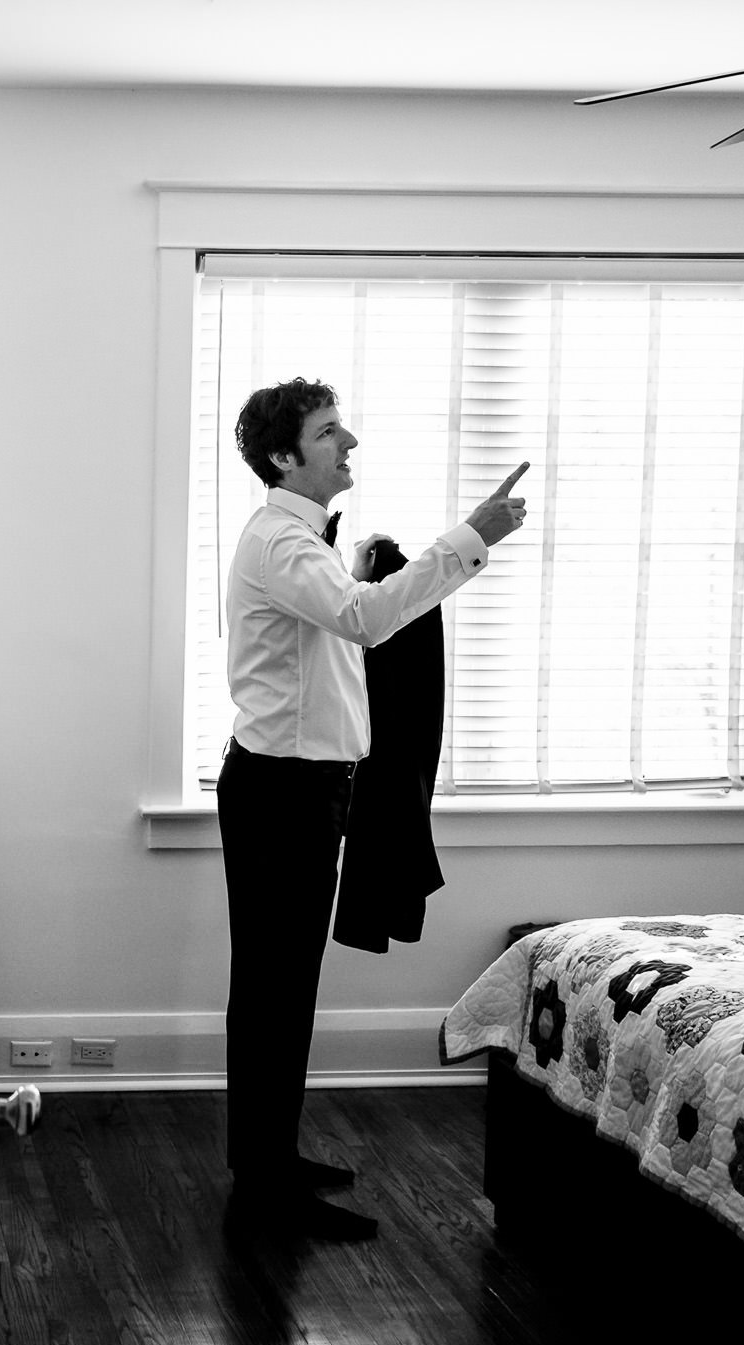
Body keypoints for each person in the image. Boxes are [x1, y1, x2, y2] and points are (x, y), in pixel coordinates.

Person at [220, 380, 530, 1240]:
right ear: (286, 456)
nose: (347, 439)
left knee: (284, 988)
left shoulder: (300, 541)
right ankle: (264, 1183)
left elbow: (332, 620)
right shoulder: (282, 543)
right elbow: (363, 622)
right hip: (283, 796)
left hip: (297, 792)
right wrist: (471, 538)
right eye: (328, 432)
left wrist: (357, 571)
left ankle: (269, 1162)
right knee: (276, 990)